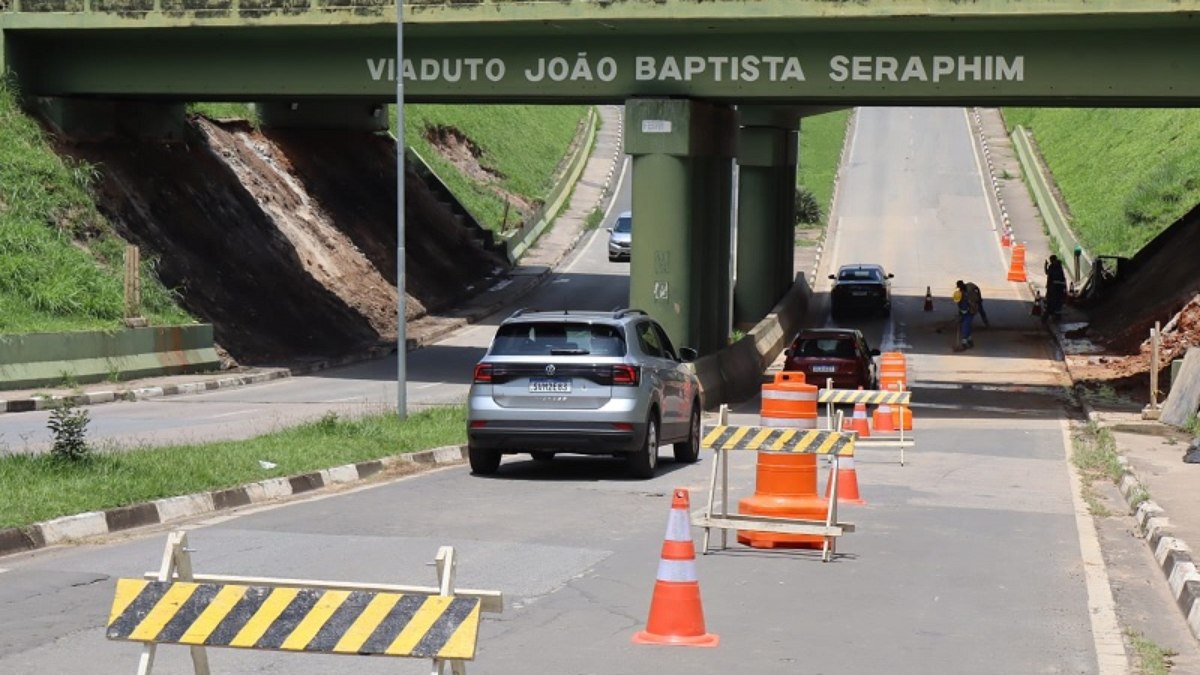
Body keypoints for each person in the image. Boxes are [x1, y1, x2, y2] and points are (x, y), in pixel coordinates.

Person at [953, 281, 975, 351]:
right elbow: (959, 303)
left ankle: (964, 343)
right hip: (968, 311)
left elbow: (962, 304)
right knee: (967, 325)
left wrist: (963, 311)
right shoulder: (960, 293)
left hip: (969, 311)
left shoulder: (966, 294)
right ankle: (969, 340)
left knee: (965, 326)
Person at [1044, 255, 1067, 321]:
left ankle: (1048, 314)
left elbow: (1047, 273)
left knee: (1050, 301)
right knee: (1058, 301)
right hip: (1060, 287)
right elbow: (1063, 278)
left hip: (1053, 287)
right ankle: (1057, 315)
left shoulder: (1052, 267)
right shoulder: (1060, 267)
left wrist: (1045, 265)